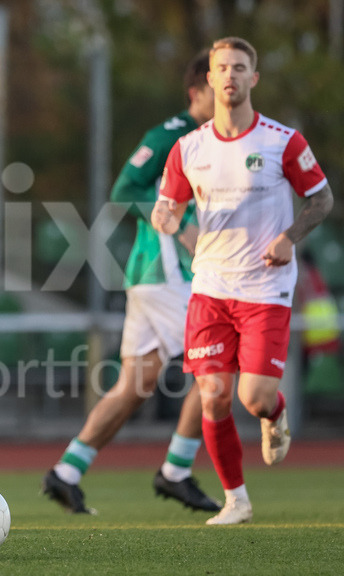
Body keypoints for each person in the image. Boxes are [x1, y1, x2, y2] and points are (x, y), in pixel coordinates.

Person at [152, 37, 333, 525]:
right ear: (208, 80)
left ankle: (274, 415)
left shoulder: (282, 141)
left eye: (239, 67)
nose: (229, 75)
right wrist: (168, 217)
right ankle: (237, 500)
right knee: (212, 394)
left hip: (264, 289)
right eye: (221, 68)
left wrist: (290, 237)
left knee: (252, 398)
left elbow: (322, 200)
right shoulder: (187, 149)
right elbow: (169, 210)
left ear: (254, 78)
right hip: (210, 287)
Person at [43, 51, 220, 515]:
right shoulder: (171, 134)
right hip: (167, 273)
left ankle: (66, 472)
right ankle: (177, 471)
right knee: (217, 365)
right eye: (218, 86)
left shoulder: (222, 139)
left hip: (155, 278)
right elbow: (125, 189)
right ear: (196, 92)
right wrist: (179, 225)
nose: (228, 95)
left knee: (135, 384)